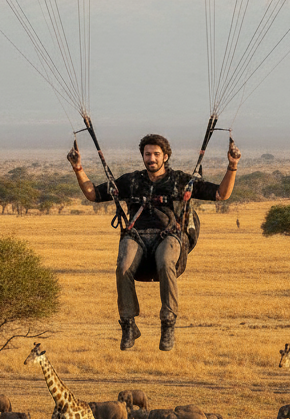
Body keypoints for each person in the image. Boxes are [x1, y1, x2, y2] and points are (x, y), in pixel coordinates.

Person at [68, 132, 240, 351]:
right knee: (123, 266)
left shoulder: (180, 181)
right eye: (148, 154)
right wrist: (78, 168)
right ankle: (128, 324)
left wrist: (232, 166)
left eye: (156, 154)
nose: (152, 159)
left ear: (165, 156)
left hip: (169, 235)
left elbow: (221, 194)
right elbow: (93, 194)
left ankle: (168, 323)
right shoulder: (131, 181)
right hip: (137, 235)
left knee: (166, 261)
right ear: (143, 156)